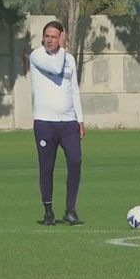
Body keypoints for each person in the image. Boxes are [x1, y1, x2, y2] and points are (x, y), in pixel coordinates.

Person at [24, 21, 85, 226]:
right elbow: (56, 67)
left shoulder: (69, 60)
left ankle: (70, 210)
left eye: (54, 36)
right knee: (47, 167)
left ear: (61, 37)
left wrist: (80, 119)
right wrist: (63, 47)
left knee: (75, 161)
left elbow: (74, 90)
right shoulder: (37, 55)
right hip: (45, 123)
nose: (49, 40)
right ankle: (48, 212)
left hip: (68, 123)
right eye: (47, 36)